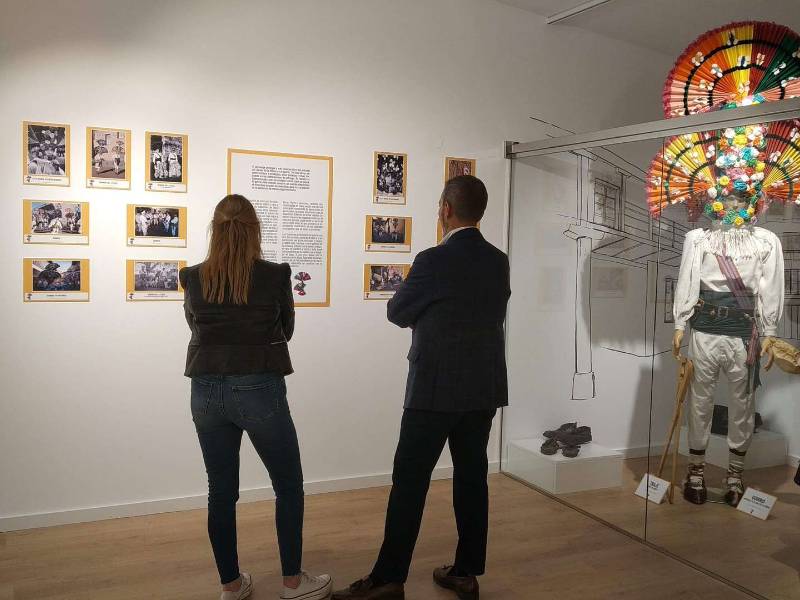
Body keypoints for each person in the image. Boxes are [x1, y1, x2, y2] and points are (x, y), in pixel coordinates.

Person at [333, 175, 511, 600]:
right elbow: (488, 312)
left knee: (410, 483)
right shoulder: (498, 260)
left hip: (434, 389)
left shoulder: (433, 259)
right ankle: (466, 572)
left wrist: (429, 316)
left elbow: (397, 311)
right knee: (472, 479)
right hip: (482, 387)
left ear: (446, 209)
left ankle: (388, 579)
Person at [180, 194, 332, 600]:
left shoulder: (193, 277)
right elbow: (286, 328)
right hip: (259, 387)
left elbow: (195, 327)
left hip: (206, 390)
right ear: (255, 231)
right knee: (288, 485)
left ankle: (231, 585)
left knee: (220, 491)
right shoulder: (274, 275)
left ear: (215, 230)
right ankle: (293, 584)